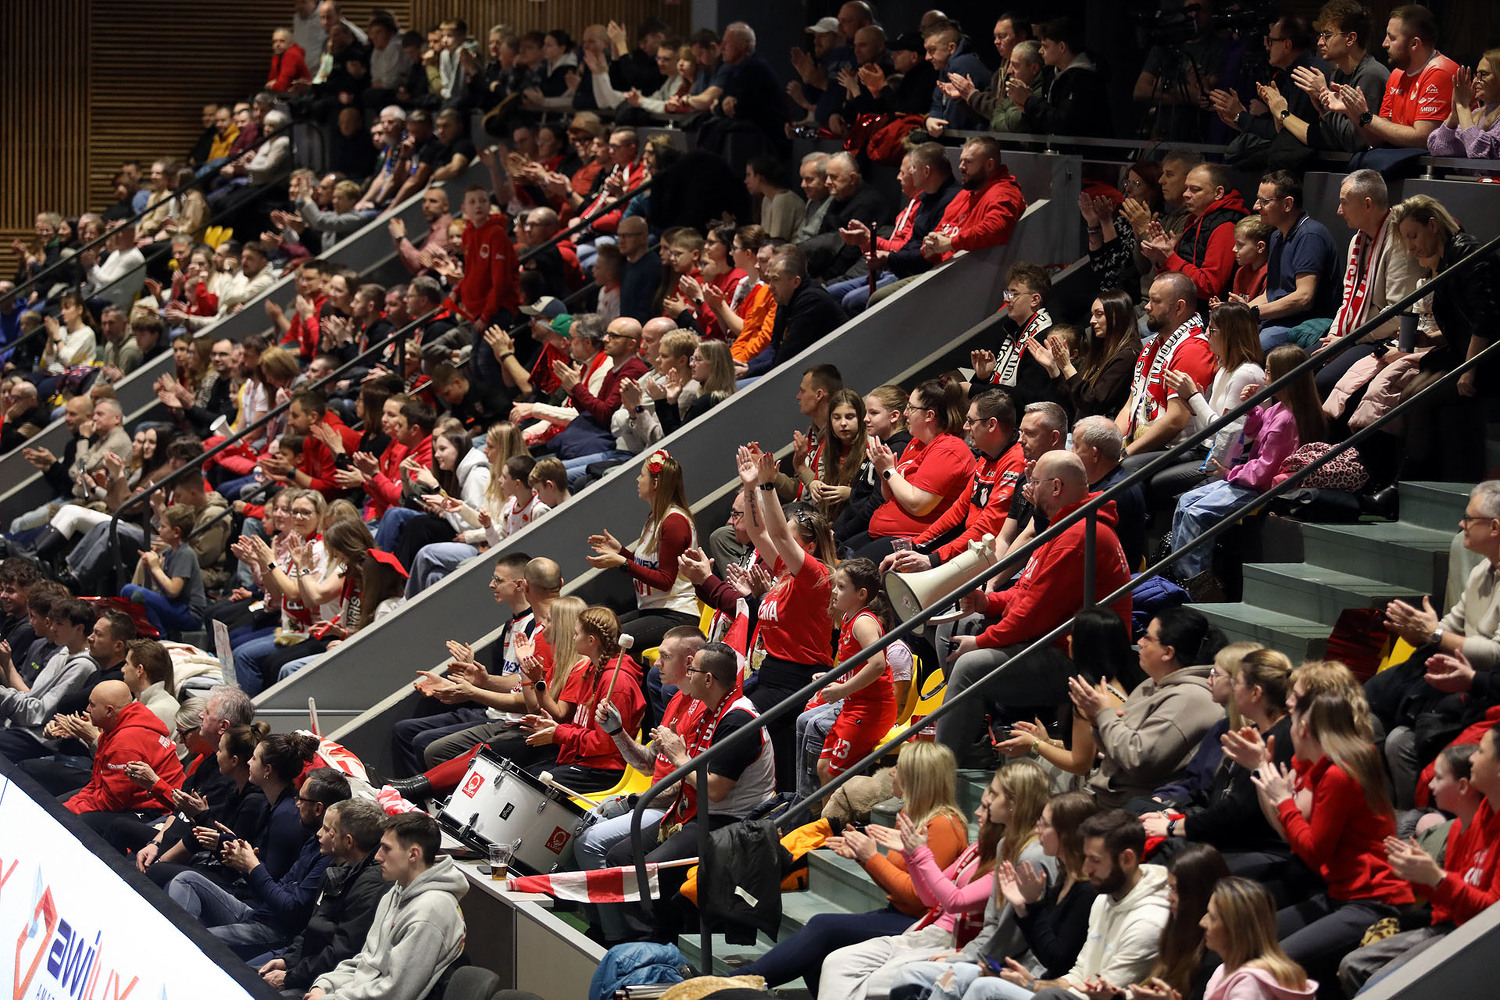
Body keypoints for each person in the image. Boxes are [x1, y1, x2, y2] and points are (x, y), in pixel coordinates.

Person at [935, 452, 1132, 761]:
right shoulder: (1065, 525)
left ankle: (940, 765)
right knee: (952, 624)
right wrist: (988, 603)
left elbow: (1032, 614)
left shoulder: (1077, 535)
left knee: (971, 665)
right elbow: (1026, 591)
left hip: (1080, 660)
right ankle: (970, 735)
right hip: (1054, 640)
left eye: (1035, 482)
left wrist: (982, 642)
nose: (1029, 489)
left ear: (1056, 487)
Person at [738, 742, 971, 994]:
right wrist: (862, 857)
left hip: (922, 924)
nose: (891, 772)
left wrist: (871, 858)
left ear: (916, 778)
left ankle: (737, 982)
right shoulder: (911, 814)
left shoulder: (943, 825)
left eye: (898, 767)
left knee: (823, 927)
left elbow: (920, 899)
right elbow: (899, 884)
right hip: (898, 913)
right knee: (816, 952)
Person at [820, 761, 1052, 1000]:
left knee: (840, 945)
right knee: (836, 962)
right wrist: (910, 855)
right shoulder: (990, 847)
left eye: (992, 796)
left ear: (1015, 803)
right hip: (929, 931)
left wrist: (912, 855)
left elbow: (955, 902)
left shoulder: (1019, 854)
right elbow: (930, 898)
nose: (978, 811)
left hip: (953, 942)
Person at [1250, 687, 1414, 982]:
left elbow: (1313, 852)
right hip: (1340, 894)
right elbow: (1299, 837)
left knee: (1269, 966)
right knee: (1248, 937)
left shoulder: (1338, 775)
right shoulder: (1326, 768)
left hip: (1372, 901)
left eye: (1292, 721)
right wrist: (1264, 768)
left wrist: (1284, 801)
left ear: (1303, 728)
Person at [1338, 721, 1500, 994]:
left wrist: (1437, 878)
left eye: (1481, 752)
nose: (1473, 757)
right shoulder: (1479, 817)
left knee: (1373, 988)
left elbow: (1491, 920)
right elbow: (1453, 893)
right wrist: (1419, 875)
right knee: (1352, 965)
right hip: (1450, 924)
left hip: (1475, 940)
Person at [1369, 480, 1500, 803]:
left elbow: (1496, 655)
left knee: (1399, 740)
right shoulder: (1481, 571)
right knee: (1361, 712)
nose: (1461, 524)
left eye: (1469, 518)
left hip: (1483, 691)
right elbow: (1448, 627)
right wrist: (1417, 632)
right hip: (1456, 678)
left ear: (1495, 527)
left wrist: (1435, 635)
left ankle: (1414, 816)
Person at [961, 810, 1171, 999]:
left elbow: (1098, 993)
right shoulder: (1103, 898)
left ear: (1127, 859)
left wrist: (1033, 985)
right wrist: (1032, 982)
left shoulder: (1148, 922)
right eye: (1086, 858)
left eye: (1095, 860)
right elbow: (1078, 974)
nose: (1086, 868)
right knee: (973, 979)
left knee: (987, 988)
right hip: (1066, 991)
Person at [1169, 344, 1325, 594]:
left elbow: (1264, 473)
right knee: (1185, 501)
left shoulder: (1287, 420)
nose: (1265, 376)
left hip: (1262, 489)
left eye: (1269, 372)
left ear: (1284, 376)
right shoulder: (1279, 408)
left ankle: (1198, 587)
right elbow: (1256, 428)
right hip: (1250, 480)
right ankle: (1180, 575)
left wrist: (1228, 473)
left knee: (1197, 513)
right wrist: (1251, 406)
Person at [735, 442, 838, 791]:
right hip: (770, 674)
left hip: (800, 680)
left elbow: (777, 533)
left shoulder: (816, 575)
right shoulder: (784, 572)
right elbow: (759, 532)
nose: (782, 547)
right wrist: (750, 486)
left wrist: (767, 486)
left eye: (790, 543)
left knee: (737, 727)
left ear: (808, 546)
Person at [167, 766, 350, 958]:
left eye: (301, 799)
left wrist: (252, 867)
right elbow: (276, 887)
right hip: (258, 913)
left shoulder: (327, 855)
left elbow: (290, 909)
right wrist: (243, 862)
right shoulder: (314, 839)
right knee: (186, 879)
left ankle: (174, 948)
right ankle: (174, 942)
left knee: (194, 938)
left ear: (318, 808)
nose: (296, 804)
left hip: (274, 932)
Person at [1142, 648, 1296, 864]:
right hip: (1224, 831)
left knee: (1161, 853)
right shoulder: (1255, 731)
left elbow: (1238, 811)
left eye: (1237, 683)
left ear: (1255, 693)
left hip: (1254, 847)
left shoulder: (1281, 740)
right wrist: (1172, 812)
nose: (1233, 689)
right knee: (1136, 815)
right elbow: (1214, 793)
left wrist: (1172, 826)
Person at [307, 812, 469, 1000]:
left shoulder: (430, 914)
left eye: (386, 849)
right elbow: (367, 962)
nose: (377, 856)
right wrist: (326, 985)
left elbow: (394, 993)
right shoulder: (396, 891)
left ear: (413, 854)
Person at [1083, 608, 1225, 809]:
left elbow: (1137, 759)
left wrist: (1105, 715)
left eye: (1147, 638)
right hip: (1108, 797)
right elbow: (1116, 749)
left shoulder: (1189, 699)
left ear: (1168, 652)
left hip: (1136, 809)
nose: (1139, 642)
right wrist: (1098, 721)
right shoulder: (1151, 683)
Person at [255, 798, 392, 994]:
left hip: (322, 982)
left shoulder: (371, 886)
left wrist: (290, 976)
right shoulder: (340, 868)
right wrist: (287, 960)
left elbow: (341, 952)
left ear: (348, 841)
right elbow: (313, 927)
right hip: (303, 964)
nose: (321, 834)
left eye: (330, 831)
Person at [886, 390, 1025, 577]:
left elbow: (987, 528)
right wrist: (915, 545)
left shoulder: (1015, 461)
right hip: (970, 548)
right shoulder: (987, 456)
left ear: (991, 425)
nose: (966, 427)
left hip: (990, 555)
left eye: (971, 421)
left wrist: (933, 560)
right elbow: (958, 510)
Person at [1314, 168, 1419, 398]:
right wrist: (1335, 335)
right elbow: (1347, 299)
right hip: (1351, 333)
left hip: (1381, 338)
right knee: (1295, 364)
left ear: (1368, 204)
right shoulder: (1357, 240)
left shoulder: (1398, 242)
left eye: (1344, 202)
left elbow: (1397, 314)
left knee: (1322, 380)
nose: (1338, 210)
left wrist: (1346, 340)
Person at [586, 449, 700, 650]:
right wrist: (621, 551)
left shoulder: (674, 522)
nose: (637, 480)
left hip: (676, 614)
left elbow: (665, 580)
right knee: (595, 630)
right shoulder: (655, 517)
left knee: (605, 640)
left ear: (655, 483)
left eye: (642, 475)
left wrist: (623, 563)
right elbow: (651, 566)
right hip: (653, 610)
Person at [855, 378, 975, 559]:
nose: (905, 413)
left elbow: (917, 505)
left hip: (915, 543)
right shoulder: (916, 442)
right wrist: (883, 471)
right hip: (884, 532)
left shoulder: (950, 449)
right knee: (835, 555)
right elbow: (890, 496)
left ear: (929, 415)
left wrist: (889, 471)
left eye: (911, 407)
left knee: (847, 569)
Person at [1118, 272, 1217, 467]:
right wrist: (1109, 444)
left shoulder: (1193, 349)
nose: (1147, 306)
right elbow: (1130, 405)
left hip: (1178, 449)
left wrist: (1124, 454)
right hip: (1144, 442)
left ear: (1178, 307)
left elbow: (1176, 420)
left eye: (1155, 301)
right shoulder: (1152, 346)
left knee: (1123, 467)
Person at [1327, 3, 1458, 150]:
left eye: (1392, 38)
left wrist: (1366, 116)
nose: (1384, 44)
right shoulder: (1397, 74)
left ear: (1414, 44)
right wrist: (1352, 111)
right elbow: (1377, 138)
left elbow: (1423, 138)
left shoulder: (1440, 72)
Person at [63, 679, 185, 825]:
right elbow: (97, 783)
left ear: (109, 711)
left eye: (92, 705)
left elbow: (112, 802)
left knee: (76, 820)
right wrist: (70, 805)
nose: (88, 709)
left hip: (157, 810)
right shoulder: (126, 722)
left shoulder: (124, 745)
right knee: (62, 805)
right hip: (135, 800)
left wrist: (68, 810)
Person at [1139, 162, 1247, 303]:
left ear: (1218, 193)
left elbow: (1210, 287)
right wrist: (1162, 260)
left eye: (1195, 190)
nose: (1186, 194)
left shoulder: (1225, 226)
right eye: (1186, 188)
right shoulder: (1195, 219)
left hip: (1205, 310)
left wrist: (1170, 258)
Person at [1199, 878, 1316, 1000]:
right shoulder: (1222, 970)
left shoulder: (1249, 985)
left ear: (1235, 929)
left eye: (1212, 917)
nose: (1202, 922)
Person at [969, 264, 1059, 412]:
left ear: (1035, 300)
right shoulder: (1010, 334)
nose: (1007, 299)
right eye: (1007, 293)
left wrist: (974, 389)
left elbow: (1027, 398)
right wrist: (983, 377)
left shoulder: (1044, 339)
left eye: (1014, 294)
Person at [1014, 17, 1112, 138]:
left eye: (1045, 46)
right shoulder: (1050, 74)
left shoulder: (1084, 79)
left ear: (1061, 47)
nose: (1040, 51)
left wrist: (1029, 102)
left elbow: (1063, 123)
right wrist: (1026, 107)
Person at [120, 503, 206, 637]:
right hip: (176, 606)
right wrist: (151, 568)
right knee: (134, 595)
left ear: (176, 532)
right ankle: (154, 635)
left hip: (190, 614)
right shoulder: (170, 552)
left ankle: (160, 638)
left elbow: (173, 590)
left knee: (130, 590)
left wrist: (155, 568)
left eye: (163, 526)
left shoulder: (185, 553)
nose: (159, 529)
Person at [1429, 49, 1500, 158]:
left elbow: (1479, 151)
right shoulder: (1476, 114)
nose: (1476, 81)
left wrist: (1463, 107)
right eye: (1476, 75)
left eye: (1483, 75)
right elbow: (1437, 147)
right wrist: (1454, 117)